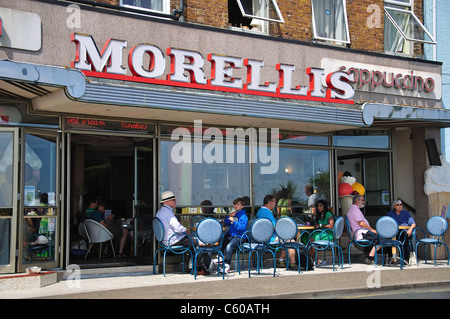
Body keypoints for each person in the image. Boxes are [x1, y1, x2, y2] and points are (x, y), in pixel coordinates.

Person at [156, 191, 210, 275]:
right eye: (173, 200)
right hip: (174, 240)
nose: (175, 202)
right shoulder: (168, 213)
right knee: (201, 243)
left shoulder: (160, 212)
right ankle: (199, 268)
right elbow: (177, 228)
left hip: (166, 240)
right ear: (167, 202)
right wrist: (186, 230)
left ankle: (191, 267)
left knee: (193, 244)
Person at [258, 194, 298, 270]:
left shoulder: (261, 211)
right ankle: (293, 263)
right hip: (270, 238)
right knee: (290, 240)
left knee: (286, 239)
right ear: (270, 203)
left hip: (264, 236)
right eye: (274, 202)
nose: (275, 204)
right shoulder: (267, 212)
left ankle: (281, 260)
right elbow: (275, 226)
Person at [346, 194, 380, 264]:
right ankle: (369, 258)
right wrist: (372, 229)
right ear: (357, 201)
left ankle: (369, 257)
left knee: (379, 238)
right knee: (381, 238)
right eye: (362, 200)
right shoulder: (355, 210)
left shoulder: (354, 209)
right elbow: (361, 223)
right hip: (361, 234)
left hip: (362, 233)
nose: (364, 202)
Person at [222, 197, 248, 272]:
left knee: (229, 246)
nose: (235, 206)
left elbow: (241, 227)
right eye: (235, 204)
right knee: (223, 240)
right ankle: (220, 258)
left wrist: (234, 221)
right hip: (232, 235)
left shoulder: (243, 216)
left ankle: (227, 265)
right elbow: (226, 223)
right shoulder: (234, 214)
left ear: (242, 206)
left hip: (240, 236)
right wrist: (229, 217)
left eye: (238, 204)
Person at [387, 199, 416, 265]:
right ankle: (390, 258)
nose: (400, 206)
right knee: (388, 240)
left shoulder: (406, 213)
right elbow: (386, 223)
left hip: (404, 231)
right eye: (398, 205)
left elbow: (413, 224)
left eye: (401, 204)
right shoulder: (390, 214)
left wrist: (410, 229)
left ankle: (405, 259)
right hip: (393, 232)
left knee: (404, 238)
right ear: (394, 206)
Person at [308, 200, 334, 265]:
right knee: (307, 245)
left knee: (312, 243)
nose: (318, 207)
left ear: (324, 206)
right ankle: (317, 259)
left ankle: (317, 260)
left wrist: (321, 225)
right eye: (317, 206)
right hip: (319, 233)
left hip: (327, 234)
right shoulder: (319, 215)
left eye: (320, 206)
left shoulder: (328, 214)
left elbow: (331, 226)